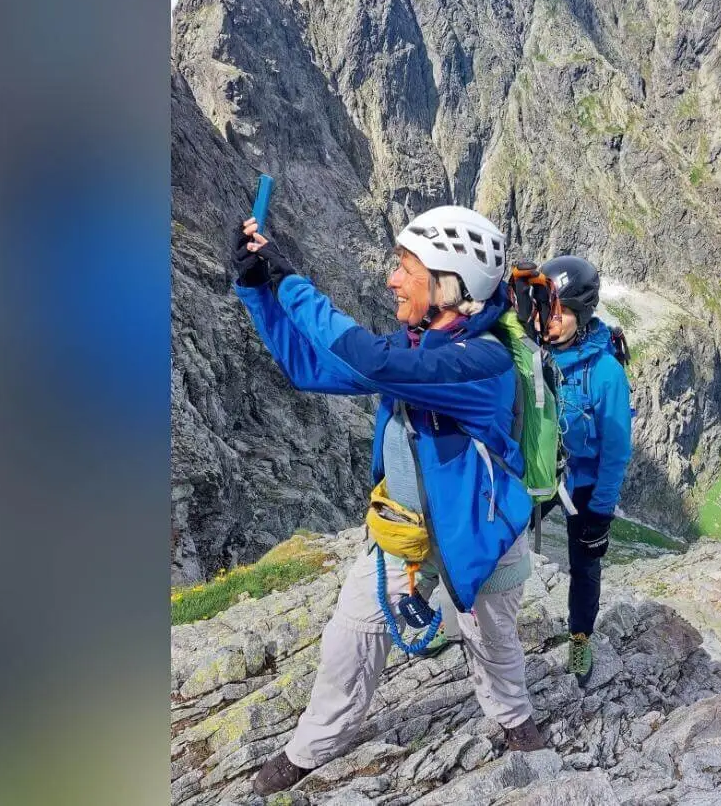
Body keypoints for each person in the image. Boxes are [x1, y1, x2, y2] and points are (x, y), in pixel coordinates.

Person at [229, 205, 546, 796]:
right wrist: (257, 291)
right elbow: (308, 367)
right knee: (350, 637)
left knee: (491, 641)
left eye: (405, 268)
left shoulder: (481, 363)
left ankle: (514, 719)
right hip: (403, 535)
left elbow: (369, 361)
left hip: (478, 539)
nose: (391, 280)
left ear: (449, 284)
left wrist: (289, 280)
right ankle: (310, 748)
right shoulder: (419, 345)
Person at [536, 255, 633, 687]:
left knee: (585, 566)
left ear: (583, 314)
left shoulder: (606, 372)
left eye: (561, 313)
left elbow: (616, 450)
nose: (550, 321)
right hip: (537, 474)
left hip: (585, 483)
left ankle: (580, 639)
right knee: (498, 544)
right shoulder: (529, 353)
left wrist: (601, 512)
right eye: (544, 309)